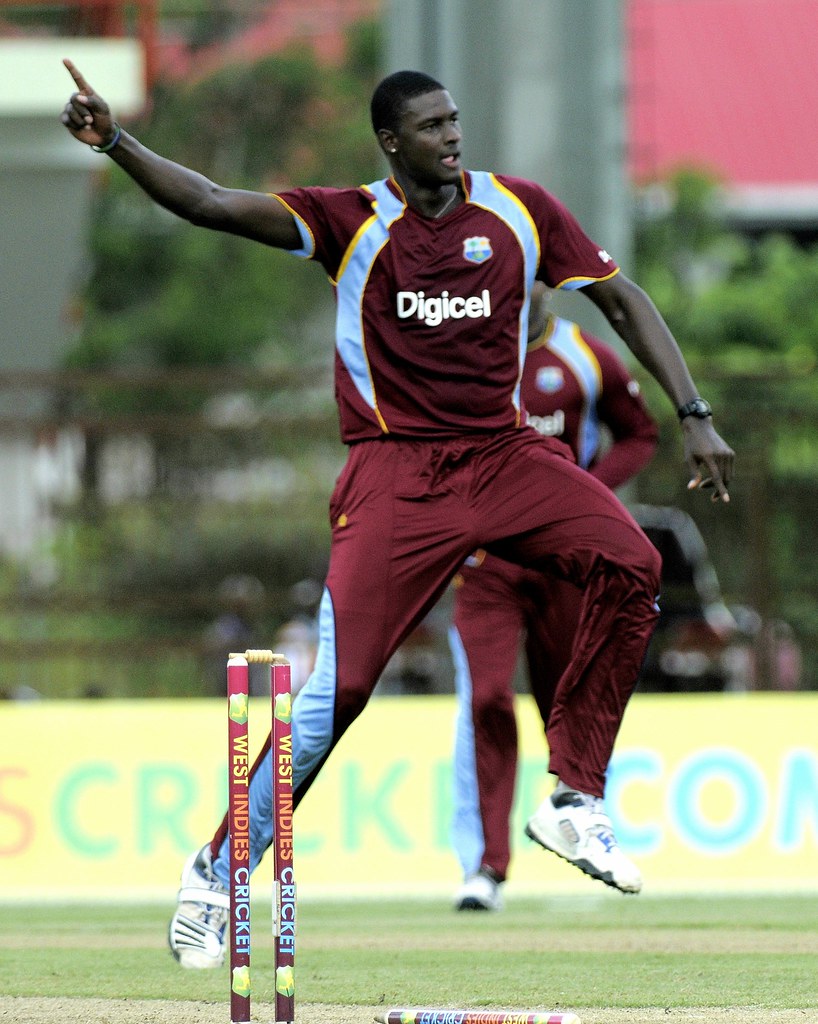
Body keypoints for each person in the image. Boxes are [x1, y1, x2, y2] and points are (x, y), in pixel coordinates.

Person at [60, 61, 734, 968]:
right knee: (333, 698)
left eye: (455, 121)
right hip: (396, 474)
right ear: (391, 141)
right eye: (431, 127)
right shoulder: (351, 222)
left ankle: (574, 797)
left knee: (634, 563)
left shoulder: (520, 209)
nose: (452, 138)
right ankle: (215, 874)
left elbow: (623, 298)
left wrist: (693, 415)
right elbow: (213, 202)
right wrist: (117, 142)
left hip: (502, 454)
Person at [450, 282, 659, 912]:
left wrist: (581, 498)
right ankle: (484, 869)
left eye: (538, 275)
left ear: (551, 283)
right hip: (486, 564)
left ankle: (584, 826)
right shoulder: (467, 357)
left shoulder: (586, 356)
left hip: (564, 563)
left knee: (566, 700)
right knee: (485, 699)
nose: (525, 288)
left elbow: (639, 435)